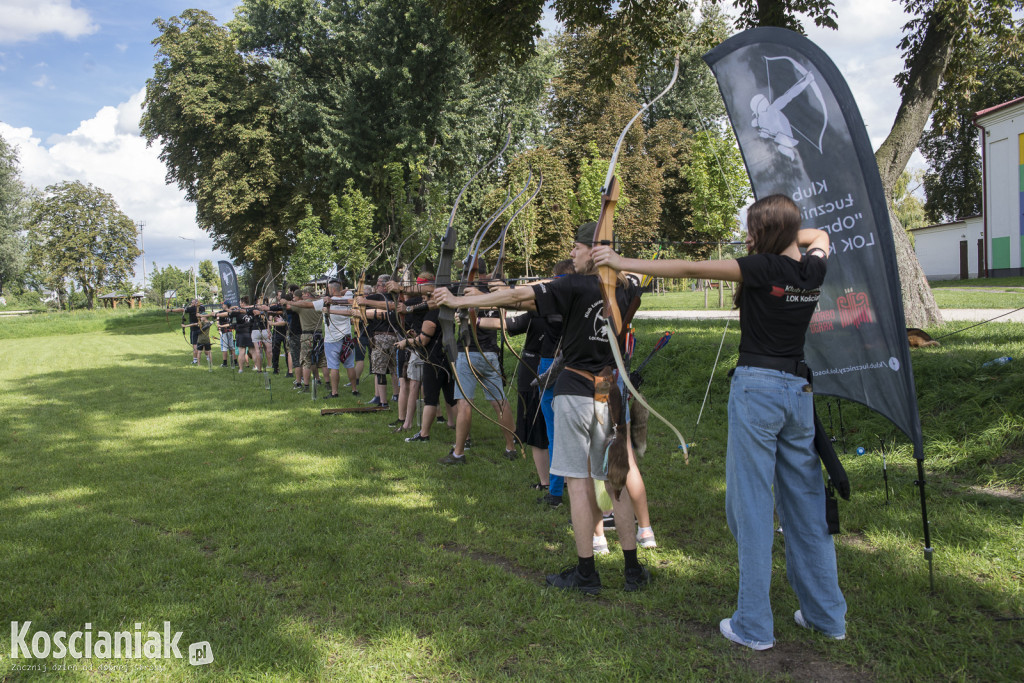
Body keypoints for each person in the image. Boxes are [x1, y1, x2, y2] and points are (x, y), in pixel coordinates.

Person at [593, 194, 845, 648]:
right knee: (807, 506)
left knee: (750, 507)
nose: (748, 238)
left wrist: (617, 258)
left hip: (759, 391)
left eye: (753, 230)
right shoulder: (812, 269)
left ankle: (753, 625)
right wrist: (789, 234)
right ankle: (827, 616)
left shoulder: (764, 269)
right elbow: (821, 237)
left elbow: (689, 268)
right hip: (798, 393)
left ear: (767, 232)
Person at [434, 222, 648, 594]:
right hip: (607, 393)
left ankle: (586, 574)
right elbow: (521, 298)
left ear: (593, 249)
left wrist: (458, 302)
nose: (572, 256)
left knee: (579, 486)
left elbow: (518, 296)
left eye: (577, 250)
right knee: (615, 481)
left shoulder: (574, 284)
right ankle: (632, 572)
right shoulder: (627, 288)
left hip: (577, 391)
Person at [168, 298, 206, 364]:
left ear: (195, 303)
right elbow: (201, 305)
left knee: (195, 345)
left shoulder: (192, 309)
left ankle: (195, 360)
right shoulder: (202, 308)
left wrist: (170, 310)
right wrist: (196, 303)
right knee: (203, 344)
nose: (191, 303)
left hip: (194, 329)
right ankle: (208, 358)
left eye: (192, 302)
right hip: (201, 328)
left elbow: (182, 310)